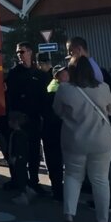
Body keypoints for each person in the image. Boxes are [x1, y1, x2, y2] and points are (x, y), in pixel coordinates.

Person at [54, 56, 111, 222]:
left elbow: (57, 110)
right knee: (100, 180)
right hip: (101, 142)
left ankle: (69, 214)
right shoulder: (104, 88)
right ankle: (103, 220)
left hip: (74, 141)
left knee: (73, 176)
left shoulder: (64, 89)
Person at [67, 36, 111, 210]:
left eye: (70, 51)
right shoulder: (95, 66)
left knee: (102, 170)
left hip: (99, 124)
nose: (69, 55)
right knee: (103, 167)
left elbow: (102, 101)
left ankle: (110, 201)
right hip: (103, 123)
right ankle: (110, 197)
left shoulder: (89, 70)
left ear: (78, 50)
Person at [4, 42, 48, 204]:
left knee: (35, 152)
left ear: (30, 52)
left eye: (22, 52)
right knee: (21, 155)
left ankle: (34, 182)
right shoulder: (14, 73)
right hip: (20, 120)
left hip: (35, 118)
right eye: (17, 52)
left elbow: (45, 94)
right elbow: (9, 96)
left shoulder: (38, 73)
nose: (19, 55)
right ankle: (22, 186)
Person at [40, 63, 66, 202]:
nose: (67, 75)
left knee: (56, 163)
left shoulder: (60, 87)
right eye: (63, 73)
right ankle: (58, 191)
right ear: (56, 76)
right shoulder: (53, 89)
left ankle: (58, 190)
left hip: (57, 131)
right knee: (55, 162)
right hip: (53, 131)